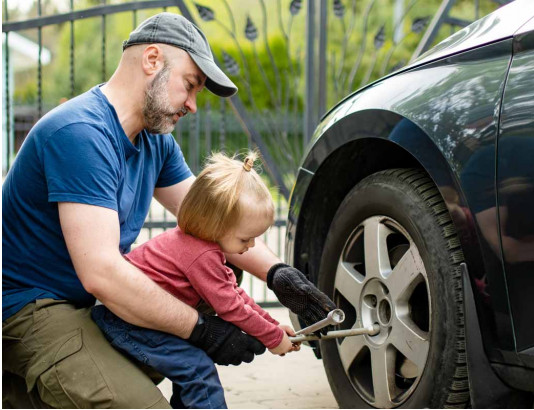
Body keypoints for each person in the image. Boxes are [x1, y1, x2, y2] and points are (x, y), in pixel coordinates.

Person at [2, 12, 335, 408]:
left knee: (217, 276)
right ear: (152, 60)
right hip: (31, 308)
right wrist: (202, 331)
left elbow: (216, 221)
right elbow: (103, 274)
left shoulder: (153, 142)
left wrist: (279, 275)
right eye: (190, 86)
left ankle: (56, 385)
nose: (193, 105)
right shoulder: (80, 134)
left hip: (88, 304)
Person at [92, 152, 300, 409]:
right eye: (246, 239)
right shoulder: (200, 253)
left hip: (135, 319)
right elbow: (230, 307)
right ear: (216, 224)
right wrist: (273, 340)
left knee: (194, 365)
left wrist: (273, 327)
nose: (252, 245)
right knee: (198, 370)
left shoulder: (203, 244)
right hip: (124, 321)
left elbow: (235, 294)